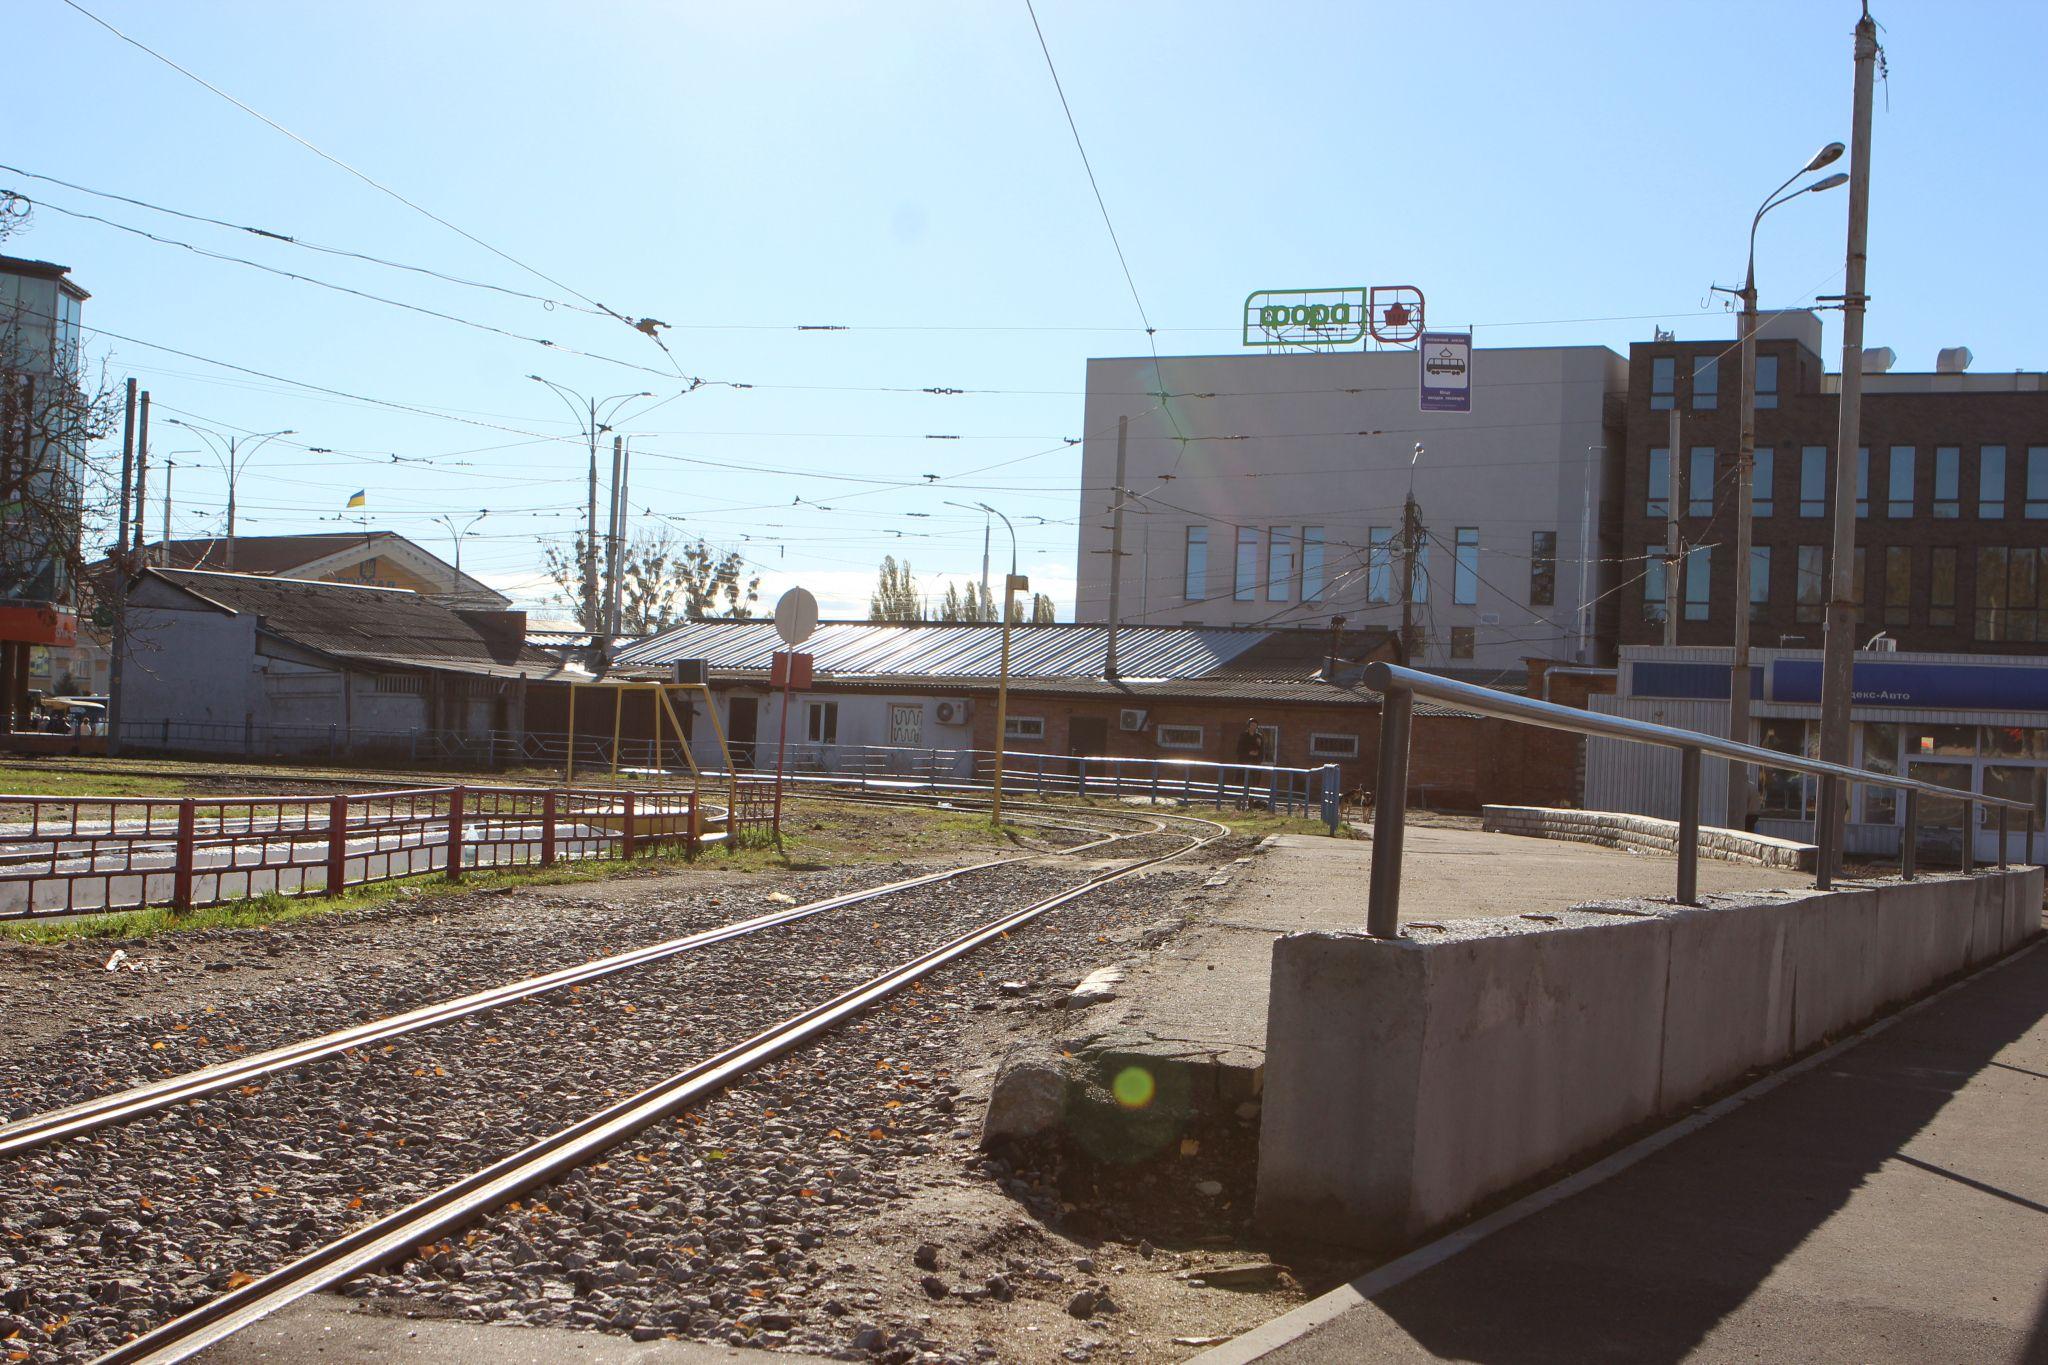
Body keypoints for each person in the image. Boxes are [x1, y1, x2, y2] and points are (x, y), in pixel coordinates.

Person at [1235, 717, 1267, 806]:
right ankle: (1239, 804)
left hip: (1255, 765)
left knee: (1253, 786)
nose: (1253, 727)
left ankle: (1250, 805)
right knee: (1242, 784)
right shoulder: (1243, 736)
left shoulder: (1259, 737)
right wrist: (1249, 753)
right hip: (1244, 764)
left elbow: (1262, 751)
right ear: (1248, 726)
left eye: (1255, 726)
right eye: (1252, 725)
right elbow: (1238, 750)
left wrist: (1258, 752)